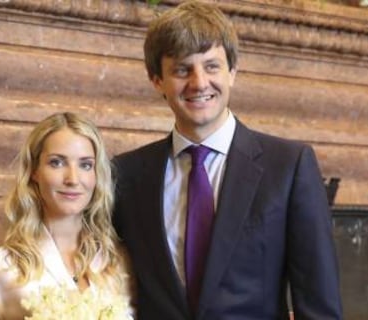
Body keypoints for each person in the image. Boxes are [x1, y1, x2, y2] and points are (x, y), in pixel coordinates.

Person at [112, 1, 343, 319]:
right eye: (182, 69)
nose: (199, 82)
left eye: (211, 66)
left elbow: (319, 305)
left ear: (232, 72)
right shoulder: (126, 174)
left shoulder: (289, 166)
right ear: (156, 80)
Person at [0, 112, 134, 319]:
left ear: (96, 175)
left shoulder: (120, 263)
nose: (73, 179)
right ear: (34, 171)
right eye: (57, 163)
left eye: (85, 165)